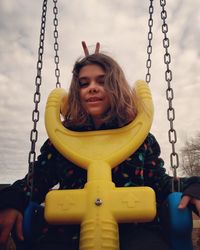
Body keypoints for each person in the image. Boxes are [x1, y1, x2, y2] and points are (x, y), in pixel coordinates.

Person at [0, 42, 200, 250]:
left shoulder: (137, 137)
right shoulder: (63, 139)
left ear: (116, 87)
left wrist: (192, 187)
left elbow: (158, 181)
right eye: (84, 84)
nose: (92, 88)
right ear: (75, 93)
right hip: (69, 230)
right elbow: (38, 179)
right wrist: (12, 200)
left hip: (134, 228)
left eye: (102, 81)